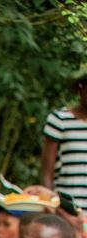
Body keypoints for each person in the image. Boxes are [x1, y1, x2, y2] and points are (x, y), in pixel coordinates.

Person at [40, 67, 87, 212]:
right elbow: (47, 172)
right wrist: (50, 206)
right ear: (81, 89)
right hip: (67, 210)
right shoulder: (60, 120)